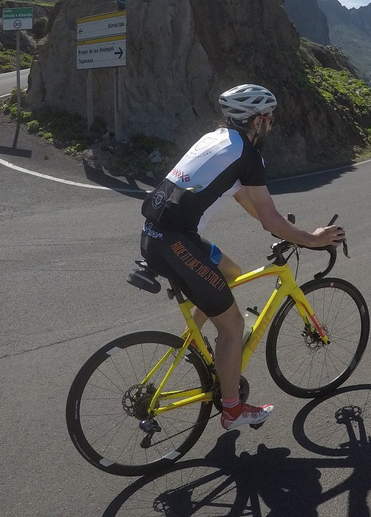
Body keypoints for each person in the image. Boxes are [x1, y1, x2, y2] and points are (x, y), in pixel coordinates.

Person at [139, 83, 346, 430]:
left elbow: (241, 196)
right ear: (257, 121)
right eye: (270, 119)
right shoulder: (248, 156)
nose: (272, 125)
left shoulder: (216, 139)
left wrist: (277, 228)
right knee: (233, 326)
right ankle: (233, 411)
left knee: (231, 272)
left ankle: (196, 344)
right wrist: (312, 239)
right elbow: (268, 216)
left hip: (157, 235)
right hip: (176, 244)